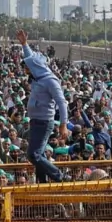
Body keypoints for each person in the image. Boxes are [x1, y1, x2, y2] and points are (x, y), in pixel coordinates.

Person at [16, 29, 68, 183]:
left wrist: (63, 125)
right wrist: (24, 44)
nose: (25, 69)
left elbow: (62, 102)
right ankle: (42, 181)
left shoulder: (50, 81)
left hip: (44, 122)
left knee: (33, 155)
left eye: (27, 68)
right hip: (35, 120)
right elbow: (31, 58)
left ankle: (59, 177)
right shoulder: (38, 76)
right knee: (39, 154)